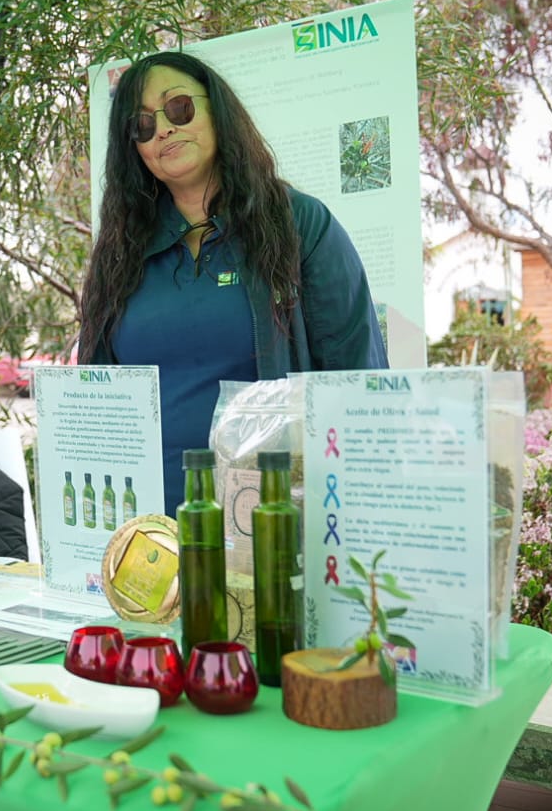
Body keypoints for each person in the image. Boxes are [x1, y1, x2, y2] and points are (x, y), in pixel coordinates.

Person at [78, 51, 387, 508]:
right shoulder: (117, 256)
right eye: (142, 125)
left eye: (178, 107)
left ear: (218, 111)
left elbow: (356, 383)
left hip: (269, 527)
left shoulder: (300, 225)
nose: (162, 128)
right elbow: (94, 399)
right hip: (147, 535)